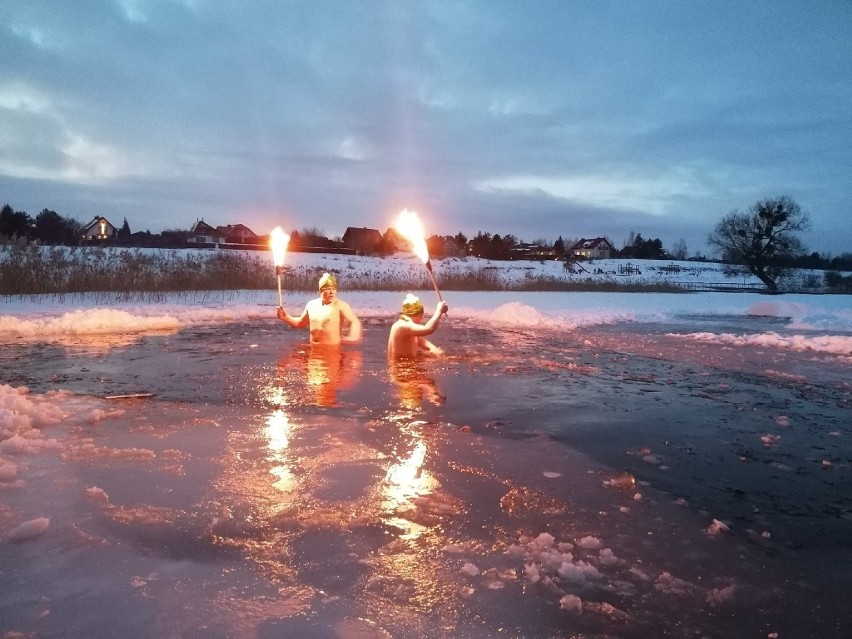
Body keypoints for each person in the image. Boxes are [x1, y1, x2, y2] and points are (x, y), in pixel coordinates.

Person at [276, 272, 362, 346]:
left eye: (334, 289)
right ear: (320, 291)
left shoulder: (340, 306)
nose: (332, 292)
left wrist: (353, 336)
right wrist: (285, 317)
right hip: (313, 350)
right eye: (328, 289)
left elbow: (354, 321)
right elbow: (300, 323)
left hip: (332, 351)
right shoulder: (311, 305)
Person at [387, 294, 448, 359]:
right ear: (417, 314)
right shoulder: (402, 326)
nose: (422, 318)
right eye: (421, 315)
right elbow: (429, 329)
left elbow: (420, 341)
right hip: (401, 367)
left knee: (436, 358)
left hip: (405, 363)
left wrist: (434, 349)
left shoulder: (404, 325)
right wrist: (439, 311)